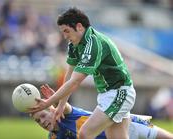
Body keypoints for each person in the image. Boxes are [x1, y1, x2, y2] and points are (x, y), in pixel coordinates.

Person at [29, 7, 136, 139]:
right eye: (62, 32)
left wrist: (48, 103)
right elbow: (69, 75)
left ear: (79, 27)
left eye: (66, 31)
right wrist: (60, 106)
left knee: (85, 134)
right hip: (107, 94)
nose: (65, 36)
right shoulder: (74, 44)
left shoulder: (93, 43)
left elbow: (75, 81)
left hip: (120, 93)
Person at [30, 84, 173, 139]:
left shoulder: (66, 114)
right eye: (38, 120)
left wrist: (55, 99)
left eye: (43, 115)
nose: (42, 122)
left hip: (128, 127)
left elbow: (65, 106)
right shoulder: (53, 137)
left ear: (52, 110)